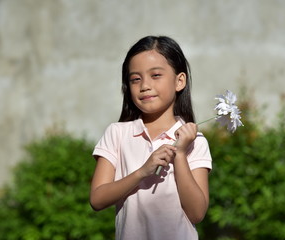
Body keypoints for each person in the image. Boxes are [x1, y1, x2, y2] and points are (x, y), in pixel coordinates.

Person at [90, 36, 212, 240]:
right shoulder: (117, 133)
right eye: (135, 79)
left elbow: (196, 213)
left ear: (179, 81)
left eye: (155, 75)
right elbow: (97, 199)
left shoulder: (195, 141)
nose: (144, 85)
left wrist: (180, 154)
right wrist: (142, 172)